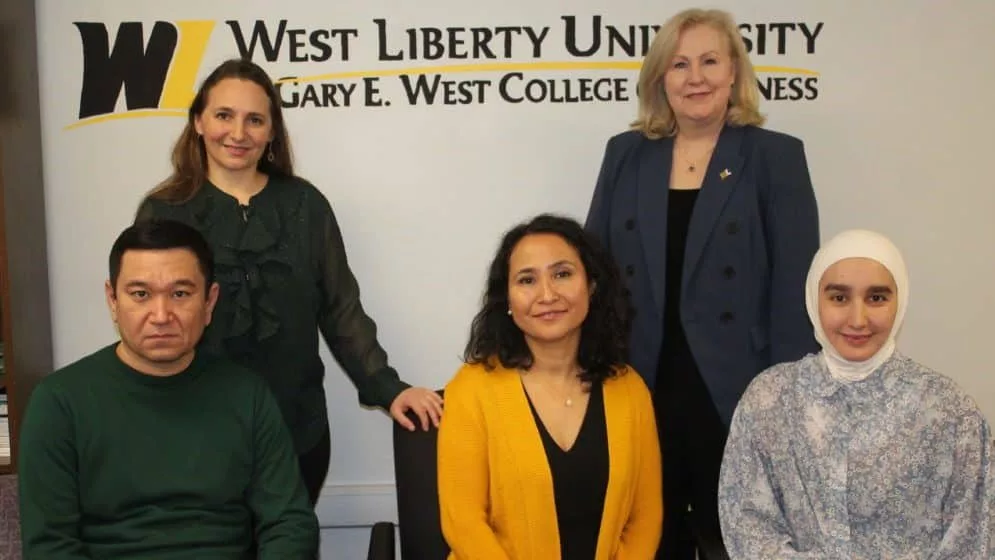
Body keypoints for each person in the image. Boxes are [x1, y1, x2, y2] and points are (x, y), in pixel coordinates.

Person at [134, 58, 444, 505]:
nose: (238, 133)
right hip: (196, 436)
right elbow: (148, 320)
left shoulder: (306, 206)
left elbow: (341, 309)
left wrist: (387, 387)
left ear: (272, 131)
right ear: (199, 121)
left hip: (296, 435)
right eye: (224, 115)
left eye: (254, 120)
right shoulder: (163, 211)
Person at [583, 8, 820, 558]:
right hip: (641, 382)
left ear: (734, 71)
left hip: (738, 390)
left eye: (709, 61)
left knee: (736, 540)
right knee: (648, 540)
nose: (696, 78)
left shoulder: (776, 156)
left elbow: (795, 291)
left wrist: (782, 400)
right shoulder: (625, 154)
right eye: (679, 65)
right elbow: (595, 271)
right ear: (660, 79)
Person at [17, 220, 319, 559]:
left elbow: (290, 524)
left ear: (209, 302)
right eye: (141, 294)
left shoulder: (247, 395)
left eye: (180, 294)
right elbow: (49, 547)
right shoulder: (59, 402)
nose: (161, 316)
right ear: (112, 300)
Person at [718, 228, 995, 558]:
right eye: (839, 298)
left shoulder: (950, 414)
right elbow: (748, 526)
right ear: (814, 300)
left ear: (900, 301)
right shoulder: (769, 400)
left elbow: (973, 539)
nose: (858, 319)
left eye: (876, 298)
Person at [438, 214, 662, 559]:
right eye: (527, 280)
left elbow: (645, 518)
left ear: (591, 285)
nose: (547, 294)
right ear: (507, 300)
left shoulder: (630, 389)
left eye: (562, 274)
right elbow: (463, 522)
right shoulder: (471, 390)